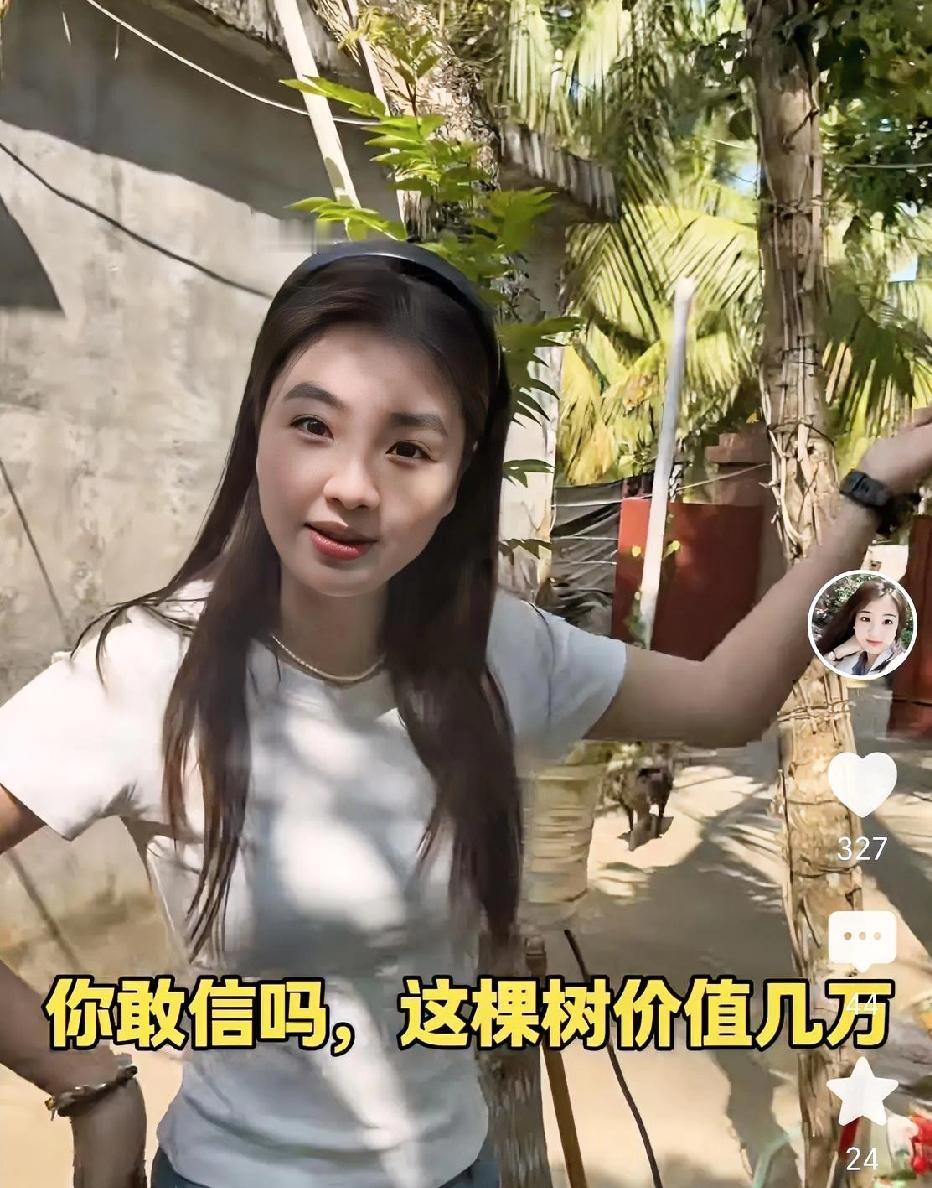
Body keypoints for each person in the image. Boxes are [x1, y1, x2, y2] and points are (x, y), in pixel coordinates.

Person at [0, 240, 931, 1188]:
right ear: (259, 429)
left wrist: (867, 495)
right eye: (313, 425)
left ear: (459, 480)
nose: (352, 485)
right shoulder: (150, 668)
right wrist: (90, 1087)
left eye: (409, 448)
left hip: (459, 1168)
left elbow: (727, 700)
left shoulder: (495, 651)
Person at [816, 577, 911, 678]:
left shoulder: (903, 669)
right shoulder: (848, 655)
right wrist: (838, 653)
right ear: (854, 621)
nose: (875, 633)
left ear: (897, 626)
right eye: (866, 619)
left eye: (887, 621)